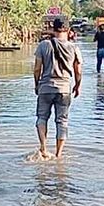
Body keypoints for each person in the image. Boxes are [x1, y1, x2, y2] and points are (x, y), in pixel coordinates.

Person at [34, 18, 83, 159]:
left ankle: (43, 148)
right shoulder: (74, 47)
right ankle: (59, 154)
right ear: (68, 30)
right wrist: (78, 85)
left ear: (53, 29)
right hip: (64, 89)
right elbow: (78, 70)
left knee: (41, 118)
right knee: (62, 121)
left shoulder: (43, 45)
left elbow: (37, 68)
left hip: (45, 87)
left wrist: (36, 84)